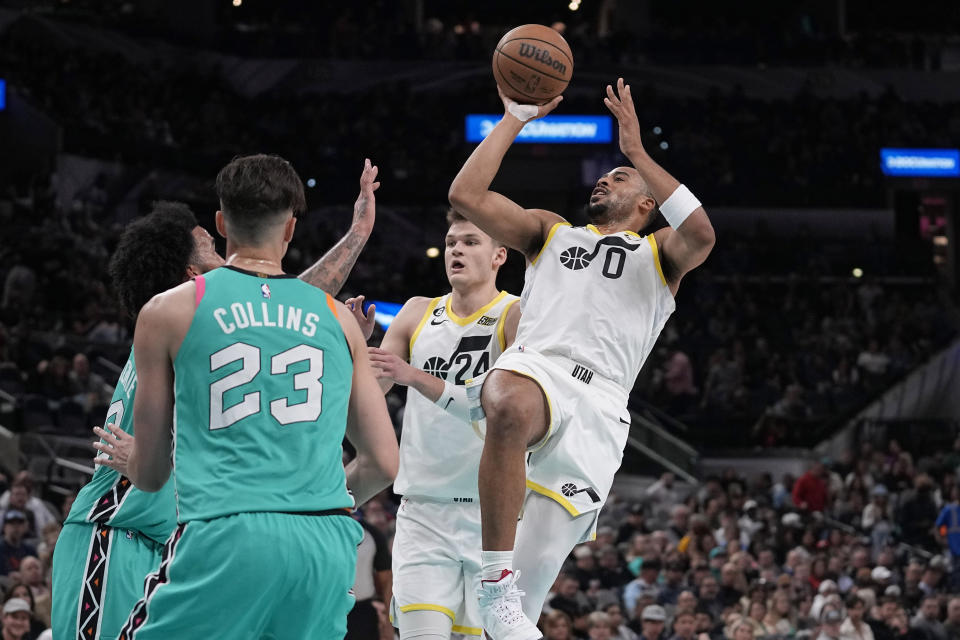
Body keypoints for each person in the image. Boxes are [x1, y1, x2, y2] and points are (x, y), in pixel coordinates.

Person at [52, 160, 381, 640]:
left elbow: (283, 308)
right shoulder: (185, 334)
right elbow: (289, 304)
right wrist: (354, 241)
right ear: (190, 272)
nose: (213, 236)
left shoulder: (194, 328)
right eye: (204, 241)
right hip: (114, 535)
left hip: (180, 540)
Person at [448, 78, 715, 639]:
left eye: (619, 177)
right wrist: (514, 119)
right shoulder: (551, 232)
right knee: (509, 401)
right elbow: (467, 197)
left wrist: (638, 152)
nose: (604, 178)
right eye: (607, 173)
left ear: (648, 203)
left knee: (522, 601)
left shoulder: (661, 253)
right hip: (537, 364)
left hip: (601, 406)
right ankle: (494, 578)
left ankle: (504, 600)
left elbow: (702, 232)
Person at [345, 208, 520, 639]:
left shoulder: (517, 316)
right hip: (423, 512)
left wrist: (415, 376)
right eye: (451, 242)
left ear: (499, 255)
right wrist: (352, 345)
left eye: (470, 241)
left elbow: (496, 404)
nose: (456, 249)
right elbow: (373, 390)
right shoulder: (416, 311)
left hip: (492, 519)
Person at [0, 512, 36, 577]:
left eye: (19, 524)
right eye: (12, 524)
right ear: (4, 527)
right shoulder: (1, 548)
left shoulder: (30, 549)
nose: (16, 527)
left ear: (24, 528)